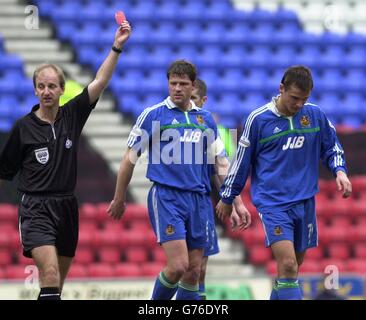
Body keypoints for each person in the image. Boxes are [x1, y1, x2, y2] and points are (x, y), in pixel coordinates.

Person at [0, 21, 131, 300]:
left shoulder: (72, 116)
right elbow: (4, 171)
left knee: (55, 286)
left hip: (67, 208)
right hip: (36, 208)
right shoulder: (23, 128)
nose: (46, 91)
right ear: (35, 91)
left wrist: (116, 47)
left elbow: (100, 81)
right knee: (48, 275)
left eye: (51, 86)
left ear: (62, 89)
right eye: (41, 86)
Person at [108, 60, 250, 300]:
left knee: (194, 272)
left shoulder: (205, 119)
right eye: (173, 83)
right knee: (178, 266)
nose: (177, 88)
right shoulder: (154, 115)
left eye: (183, 84)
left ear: (192, 85)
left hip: (199, 199)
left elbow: (221, 163)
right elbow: (129, 159)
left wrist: (236, 201)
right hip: (168, 197)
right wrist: (119, 197)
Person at [216, 65, 352, 300]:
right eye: (294, 98)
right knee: (288, 265)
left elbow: (332, 146)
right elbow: (241, 163)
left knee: (290, 272)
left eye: (304, 99)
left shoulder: (315, 115)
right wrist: (228, 197)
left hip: (305, 201)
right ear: (281, 89)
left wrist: (340, 171)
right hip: (274, 204)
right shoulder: (259, 120)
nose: (299, 104)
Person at [191, 78, 248, 299]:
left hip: (204, 200)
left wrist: (234, 203)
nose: (190, 102)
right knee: (183, 267)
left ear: (203, 101)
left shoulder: (211, 127)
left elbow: (221, 167)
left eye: (194, 98)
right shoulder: (170, 125)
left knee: (200, 270)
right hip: (177, 202)